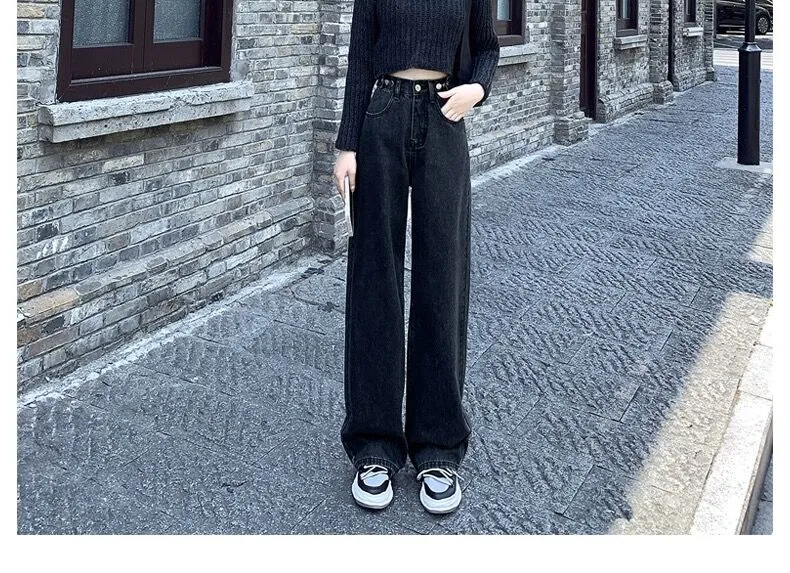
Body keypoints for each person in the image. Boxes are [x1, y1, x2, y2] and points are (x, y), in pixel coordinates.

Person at [332, 0, 499, 515]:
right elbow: (360, 58)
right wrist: (347, 146)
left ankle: (438, 447)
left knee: (442, 278)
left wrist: (477, 89)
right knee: (374, 277)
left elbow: (487, 48)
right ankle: (374, 444)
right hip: (382, 117)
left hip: (445, 118)